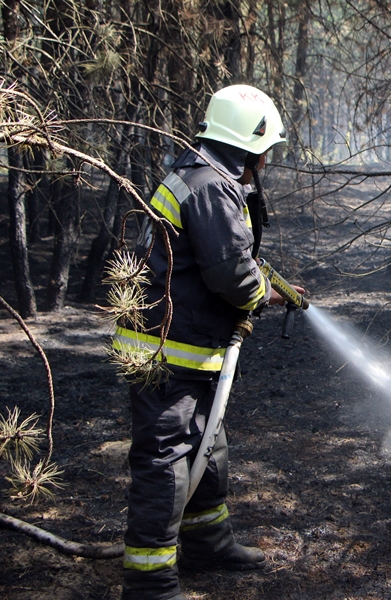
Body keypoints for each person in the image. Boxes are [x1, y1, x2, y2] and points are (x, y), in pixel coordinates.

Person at [112, 85, 300, 600]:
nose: (267, 161)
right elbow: (231, 275)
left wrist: (269, 285)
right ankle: (150, 583)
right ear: (248, 145)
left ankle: (207, 545)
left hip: (184, 345)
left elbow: (221, 259)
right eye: (266, 149)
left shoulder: (201, 174)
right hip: (167, 352)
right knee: (166, 464)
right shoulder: (211, 186)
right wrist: (261, 293)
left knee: (208, 447)